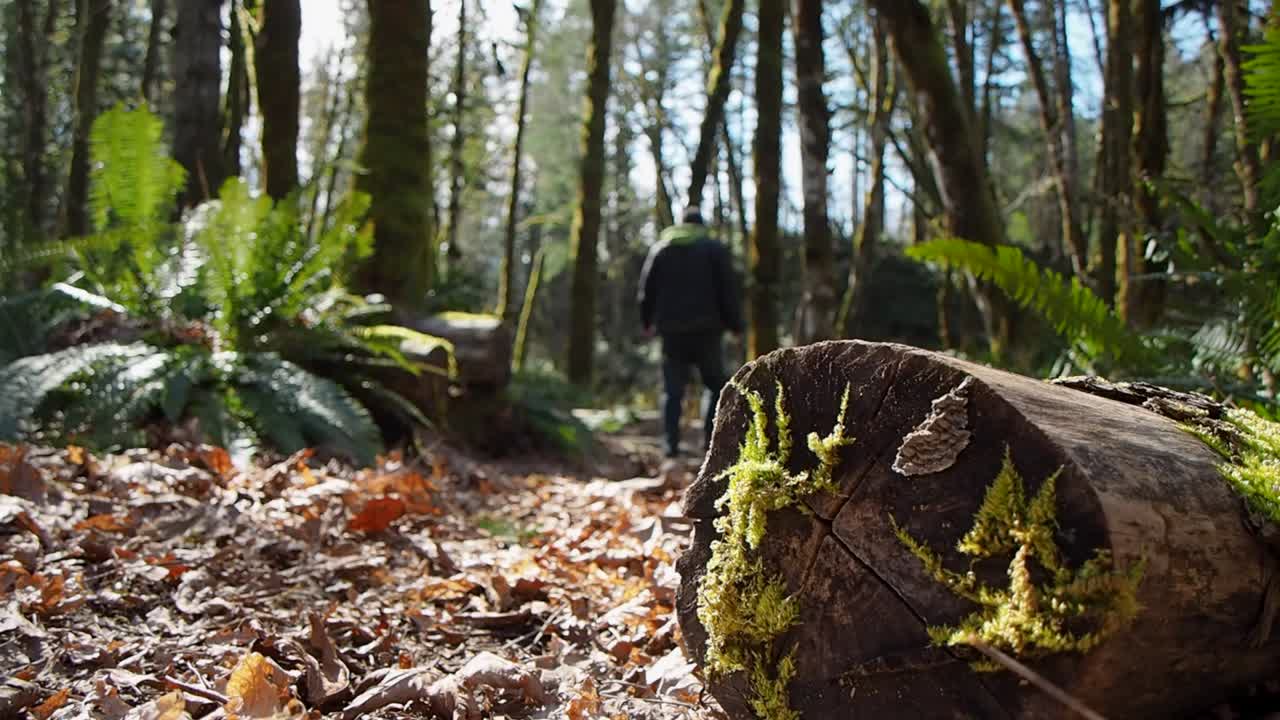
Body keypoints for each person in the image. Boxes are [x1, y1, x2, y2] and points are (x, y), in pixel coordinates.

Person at [638, 207, 744, 458]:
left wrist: (646, 322)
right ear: (701, 225)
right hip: (707, 331)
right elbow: (728, 290)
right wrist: (737, 325)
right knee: (715, 387)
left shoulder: (661, 249)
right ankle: (710, 444)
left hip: (671, 332)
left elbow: (645, 291)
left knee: (672, 391)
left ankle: (670, 447)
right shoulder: (713, 249)